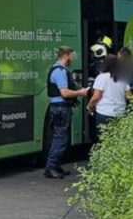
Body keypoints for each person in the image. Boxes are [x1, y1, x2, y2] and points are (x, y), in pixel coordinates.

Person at [45, 46, 88, 179]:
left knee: (60, 137)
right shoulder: (60, 71)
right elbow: (64, 92)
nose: (73, 59)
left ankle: (55, 166)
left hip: (58, 107)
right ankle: (51, 167)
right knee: (60, 138)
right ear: (66, 55)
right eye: (72, 56)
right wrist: (80, 92)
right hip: (61, 107)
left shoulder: (57, 69)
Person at [86, 55, 131, 138]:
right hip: (120, 114)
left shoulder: (101, 77)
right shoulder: (122, 78)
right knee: (117, 139)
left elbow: (96, 96)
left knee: (104, 139)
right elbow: (129, 97)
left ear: (105, 64)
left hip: (104, 114)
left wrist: (89, 106)